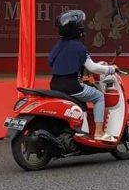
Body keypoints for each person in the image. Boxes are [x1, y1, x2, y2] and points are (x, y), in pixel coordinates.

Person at [48, 10, 119, 142]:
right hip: (72, 86)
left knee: (82, 100)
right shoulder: (79, 47)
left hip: (55, 84)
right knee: (99, 97)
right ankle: (99, 132)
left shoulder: (58, 45)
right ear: (77, 28)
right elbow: (92, 67)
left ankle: (82, 130)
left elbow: (50, 62)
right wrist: (110, 69)